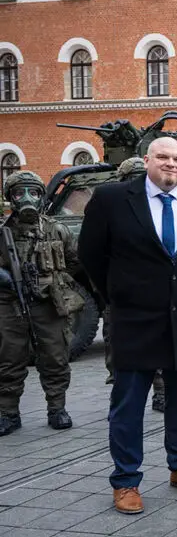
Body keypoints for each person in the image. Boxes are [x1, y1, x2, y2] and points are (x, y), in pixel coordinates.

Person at [79, 137, 177, 514]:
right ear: (147, 160)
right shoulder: (112, 199)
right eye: (163, 157)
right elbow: (89, 253)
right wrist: (116, 297)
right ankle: (125, 480)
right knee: (128, 404)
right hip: (134, 321)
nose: (171, 164)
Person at [0, 171, 83, 435]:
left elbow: (75, 262)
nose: (26, 198)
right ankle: (8, 413)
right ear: (10, 198)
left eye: (33, 193)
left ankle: (57, 408)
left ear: (41, 197)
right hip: (10, 305)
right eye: (19, 193)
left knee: (55, 357)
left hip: (49, 303)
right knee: (9, 359)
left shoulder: (56, 230)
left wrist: (57, 281)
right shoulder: (3, 233)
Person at [103, 157, 167, 413]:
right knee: (118, 348)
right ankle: (123, 394)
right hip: (122, 296)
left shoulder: (165, 208)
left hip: (160, 293)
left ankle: (161, 392)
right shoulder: (110, 211)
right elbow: (90, 254)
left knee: (162, 344)